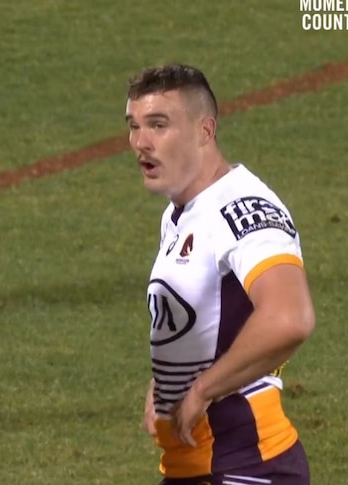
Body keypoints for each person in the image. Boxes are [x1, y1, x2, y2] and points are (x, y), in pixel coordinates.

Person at [125, 63, 316, 485]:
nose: (141, 142)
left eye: (159, 125)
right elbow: (207, 316)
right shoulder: (181, 213)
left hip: (245, 469)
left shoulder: (243, 209)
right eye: (134, 126)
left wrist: (202, 390)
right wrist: (167, 381)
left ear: (204, 131)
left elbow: (290, 318)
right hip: (198, 469)